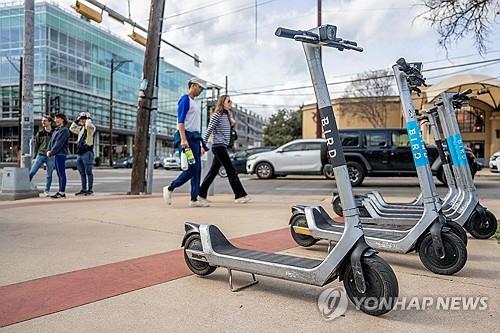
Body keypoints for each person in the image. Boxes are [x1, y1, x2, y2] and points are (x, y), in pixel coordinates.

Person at [163, 78, 209, 207]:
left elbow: (194, 124)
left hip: (194, 140)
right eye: (200, 88)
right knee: (191, 169)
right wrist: (183, 139)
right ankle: (170, 188)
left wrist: (199, 144)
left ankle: (194, 199)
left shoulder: (194, 102)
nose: (201, 91)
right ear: (193, 86)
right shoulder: (185, 99)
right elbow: (181, 121)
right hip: (186, 139)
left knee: (197, 169)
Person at [199, 95, 250, 204]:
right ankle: (240, 195)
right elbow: (209, 130)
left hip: (222, 146)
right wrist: (203, 145)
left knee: (213, 172)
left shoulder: (226, 115)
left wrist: (232, 123)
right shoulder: (217, 115)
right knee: (231, 170)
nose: (230, 103)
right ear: (222, 103)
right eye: (228, 101)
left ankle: (201, 195)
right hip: (218, 146)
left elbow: (226, 131)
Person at [70, 111, 96, 196]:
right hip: (80, 154)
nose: (82, 120)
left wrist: (88, 118)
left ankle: (90, 190)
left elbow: (88, 125)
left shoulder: (91, 128)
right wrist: (77, 120)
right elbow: (72, 128)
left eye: (83, 119)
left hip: (87, 153)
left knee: (88, 172)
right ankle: (84, 189)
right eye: (81, 119)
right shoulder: (80, 129)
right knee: (82, 173)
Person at [29, 115, 55, 197]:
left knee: (49, 174)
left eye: (45, 120)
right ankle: (25, 186)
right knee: (32, 171)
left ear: (50, 122)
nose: (43, 122)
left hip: (51, 156)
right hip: (40, 155)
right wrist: (34, 157)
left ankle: (46, 191)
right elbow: (36, 146)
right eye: (42, 121)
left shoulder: (55, 133)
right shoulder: (39, 133)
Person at [47, 113, 70, 199]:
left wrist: (52, 152)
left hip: (61, 154)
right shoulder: (57, 129)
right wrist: (49, 150)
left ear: (62, 119)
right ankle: (61, 191)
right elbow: (51, 141)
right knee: (59, 173)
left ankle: (62, 192)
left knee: (61, 173)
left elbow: (59, 143)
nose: (55, 120)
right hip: (56, 154)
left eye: (57, 118)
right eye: (55, 118)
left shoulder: (64, 130)